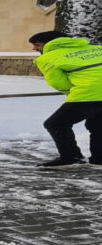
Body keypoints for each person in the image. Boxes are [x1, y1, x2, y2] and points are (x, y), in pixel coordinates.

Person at [30, 31, 102, 167]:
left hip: (89, 94)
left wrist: (75, 91)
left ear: (48, 43)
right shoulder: (97, 48)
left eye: (37, 45)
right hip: (94, 93)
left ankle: (71, 157)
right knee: (97, 125)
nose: (35, 49)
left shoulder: (47, 58)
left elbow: (59, 83)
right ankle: (99, 158)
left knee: (55, 124)